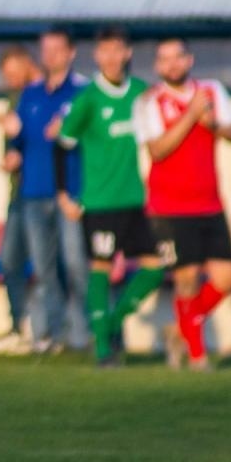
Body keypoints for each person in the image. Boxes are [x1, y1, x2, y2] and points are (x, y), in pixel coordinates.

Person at [54, 28, 165, 367]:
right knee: (99, 268)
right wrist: (64, 194)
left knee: (155, 268)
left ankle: (110, 323)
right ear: (96, 57)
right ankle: (104, 348)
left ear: (127, 53)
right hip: (99, 202)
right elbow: (62, 145)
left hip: (135, 199)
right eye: (105, 51)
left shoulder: (142, 94)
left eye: (117, 50)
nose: (112, 58)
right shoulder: (88, 99)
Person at [134, 38, 231, 370]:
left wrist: (213, 124)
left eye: (178, 57)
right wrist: (191, 116)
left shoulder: (211, 91)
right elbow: (157, 149)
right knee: (187, 278)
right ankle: (197, 356)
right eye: (164, 59)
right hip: (169, 206)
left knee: (226, 277)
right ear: (157, 66)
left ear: (189, 59)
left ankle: (180, 330)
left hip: (209, 203)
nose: (172, 65)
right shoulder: (149, 101)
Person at [8, 27, 88, 353]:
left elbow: (93, 139)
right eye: (45, 49)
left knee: (76, 265)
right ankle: (50, 335)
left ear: (70, 53)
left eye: (57, 49)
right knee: (43, 269)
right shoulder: (30, 94)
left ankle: (83, 332)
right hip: (33, 192)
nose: (50, 55)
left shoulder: (84, 92)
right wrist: (13, 146)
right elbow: (20, 142)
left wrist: (68, 132)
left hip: (71, 193)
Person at [0, 45, 42, 353]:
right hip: (19, 194)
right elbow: (13, 146)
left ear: (27, 64)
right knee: (10, 260)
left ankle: (56, 330)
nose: (10, 80)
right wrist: (11, 158)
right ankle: (17, 327)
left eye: (13, 73)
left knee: (55, 267)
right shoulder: (14, 100)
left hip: (47, 193)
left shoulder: (47, 95)